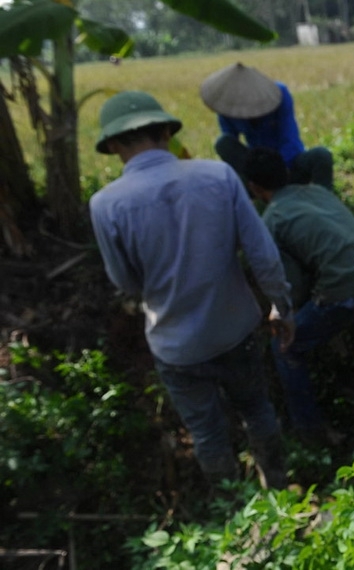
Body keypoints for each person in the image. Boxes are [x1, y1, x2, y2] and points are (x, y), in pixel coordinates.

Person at [88, 91, 296, 490]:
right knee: (257, 409)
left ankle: (232, 509)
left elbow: (125, 282)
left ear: (113, 146)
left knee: (208, 433)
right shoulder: (217, 176)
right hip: (235, 330)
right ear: (166, 132)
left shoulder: (105, 205)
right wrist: (282, 309)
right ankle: (279, 487)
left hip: (176, 347)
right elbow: (263, 257)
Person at [242, 147, 354, 446]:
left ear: (254, 188)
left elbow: (291, 284)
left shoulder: (272, 218)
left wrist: (290, 311)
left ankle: (313, 435)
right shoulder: (317, 191)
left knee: (286, 348)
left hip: (343, 294)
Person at [200, 62, 335, 189]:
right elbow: (231, 145)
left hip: (290, 163)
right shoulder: (227, 107)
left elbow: (289, 139)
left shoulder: (280, 94)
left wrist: (280, 172)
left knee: (322, 155)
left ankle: (323, 198)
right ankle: (255, 190)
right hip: (258, 166)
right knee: (223, 142)